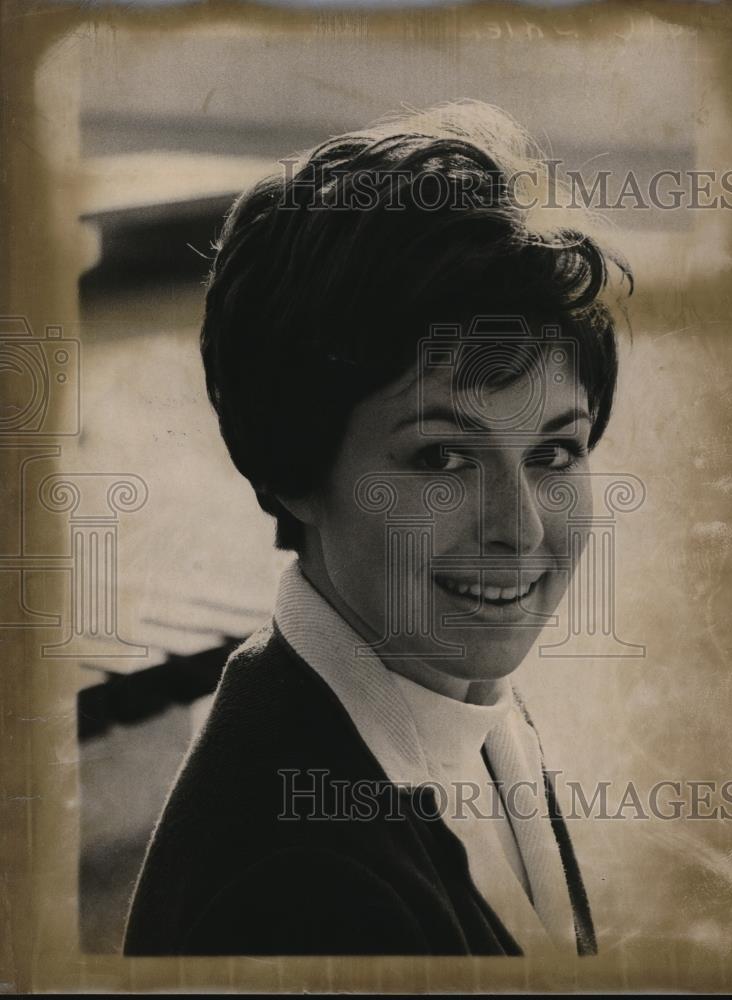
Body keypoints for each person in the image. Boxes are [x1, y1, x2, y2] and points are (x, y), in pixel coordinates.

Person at [123, 100, 630, 957]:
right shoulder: (296, 888)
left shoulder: (456, 697)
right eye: (442, 457)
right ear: (293, 467)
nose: (519, 528)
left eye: (554, 452)